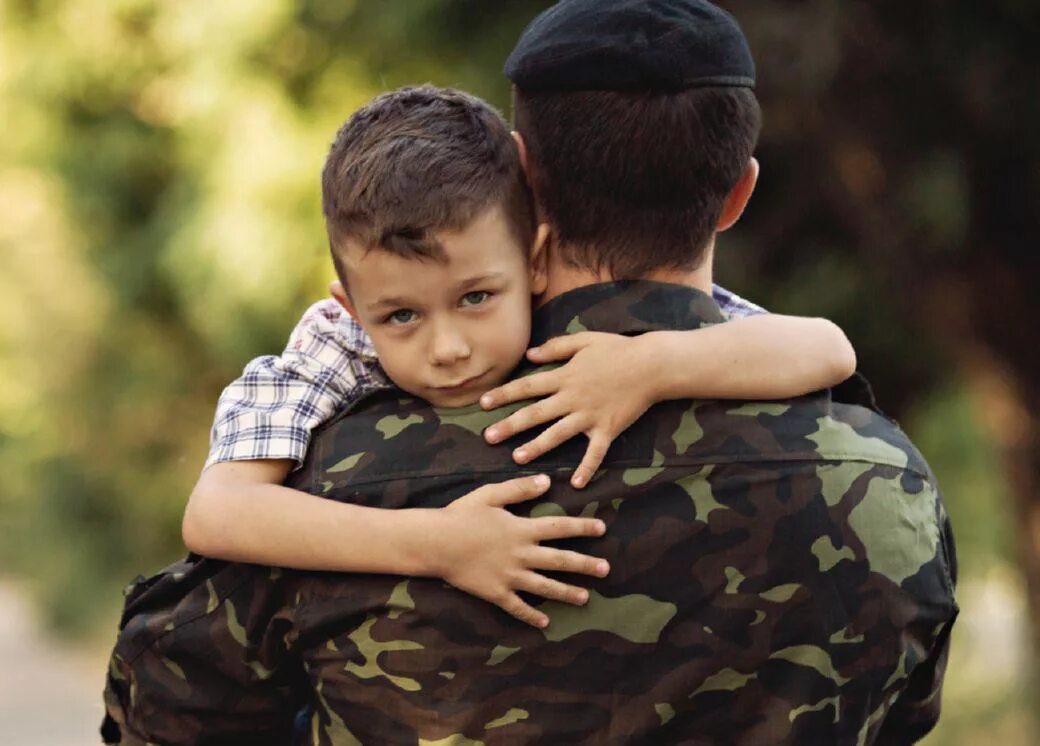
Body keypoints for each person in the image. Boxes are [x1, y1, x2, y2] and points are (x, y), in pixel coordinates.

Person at [103, 1, 957, 744]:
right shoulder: (888, 487)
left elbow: (165, 707)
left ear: (525, 181)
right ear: (738, 194)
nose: (443, 347)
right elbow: (904, 711)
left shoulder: (331, 481)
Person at [183, 84, 856, 630]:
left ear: (535, 262)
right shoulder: (336, 344)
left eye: (475, 297)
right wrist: (437, 545)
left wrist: (652, 366)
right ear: (353, 309)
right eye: (402, 316)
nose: (448, 348)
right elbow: (218, 512)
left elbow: (828, 348)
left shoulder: (577, 320)